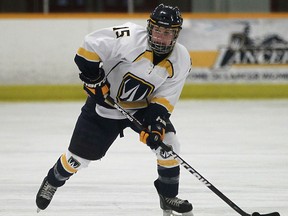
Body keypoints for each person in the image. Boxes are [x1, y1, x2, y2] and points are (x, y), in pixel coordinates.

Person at [36, 3, 193, 216]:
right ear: (149, 28)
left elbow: (165, 98)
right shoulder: (129, 37)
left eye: (167, 33)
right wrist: (94, 79)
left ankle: (168, 195)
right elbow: (88, 48)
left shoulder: (181, 58)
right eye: (157, 30)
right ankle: (53, 180)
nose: (160, 37)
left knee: (168, 144)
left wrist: (155, 126)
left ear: (176, 35)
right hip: (105, 106)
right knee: (76, 160)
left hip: (142, 109)